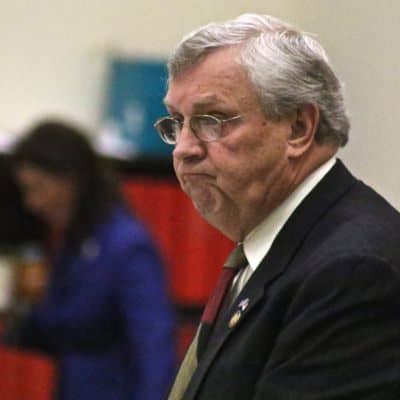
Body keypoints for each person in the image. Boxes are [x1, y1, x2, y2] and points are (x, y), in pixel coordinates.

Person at [153, 13, 400, 400]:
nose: (183, 149)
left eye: (211, 120)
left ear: (299, 129)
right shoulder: (271, 247)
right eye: (177, 122)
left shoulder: (352, 269)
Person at [8, 119, 176, 400]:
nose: (32, 204)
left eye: (38, 188)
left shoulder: (127, 245)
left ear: (70, 180)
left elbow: (155, 348)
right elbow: (56, 328)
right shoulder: (69, 242)